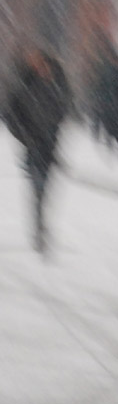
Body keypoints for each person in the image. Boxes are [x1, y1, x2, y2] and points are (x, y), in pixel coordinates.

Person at [3, 47, 71, 253]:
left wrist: (53, 132)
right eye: (38, 65)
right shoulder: (25, 85)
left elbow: (63, 111)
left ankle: (40, 225)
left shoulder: (57, 86)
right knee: (37, 188)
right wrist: (25, 137)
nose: (42, 69)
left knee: (45, 189)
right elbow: (9, 114)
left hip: (50, 147)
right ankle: (39, 229)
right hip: (33, 147)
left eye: (44, 65)